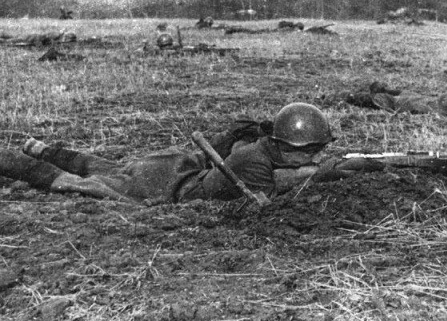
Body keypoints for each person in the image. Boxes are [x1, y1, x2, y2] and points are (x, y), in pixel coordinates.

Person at [0, 103, 381, 204]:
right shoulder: (251, 161)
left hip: (180, 165)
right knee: (79, 182)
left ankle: (43, 147)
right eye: (309, 151)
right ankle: (14, 160)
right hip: (165, 185)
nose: (313, 157)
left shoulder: (262, 147)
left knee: (100, 164)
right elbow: (275, 192)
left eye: (318, 151)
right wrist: (324, 173)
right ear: (283, 146)